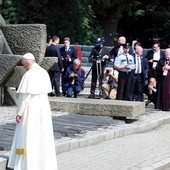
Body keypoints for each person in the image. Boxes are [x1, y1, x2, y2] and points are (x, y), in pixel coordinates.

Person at [7, 53, 57, 170]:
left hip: (31, 109)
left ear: (28, 62)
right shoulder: (43, 72)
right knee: (41, 136)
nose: (23, 66)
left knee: (28, 135)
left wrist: (19, 113)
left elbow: (25, 97)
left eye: (23, 64)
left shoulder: (29, 74)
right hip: (43, 109)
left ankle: (26, 164)